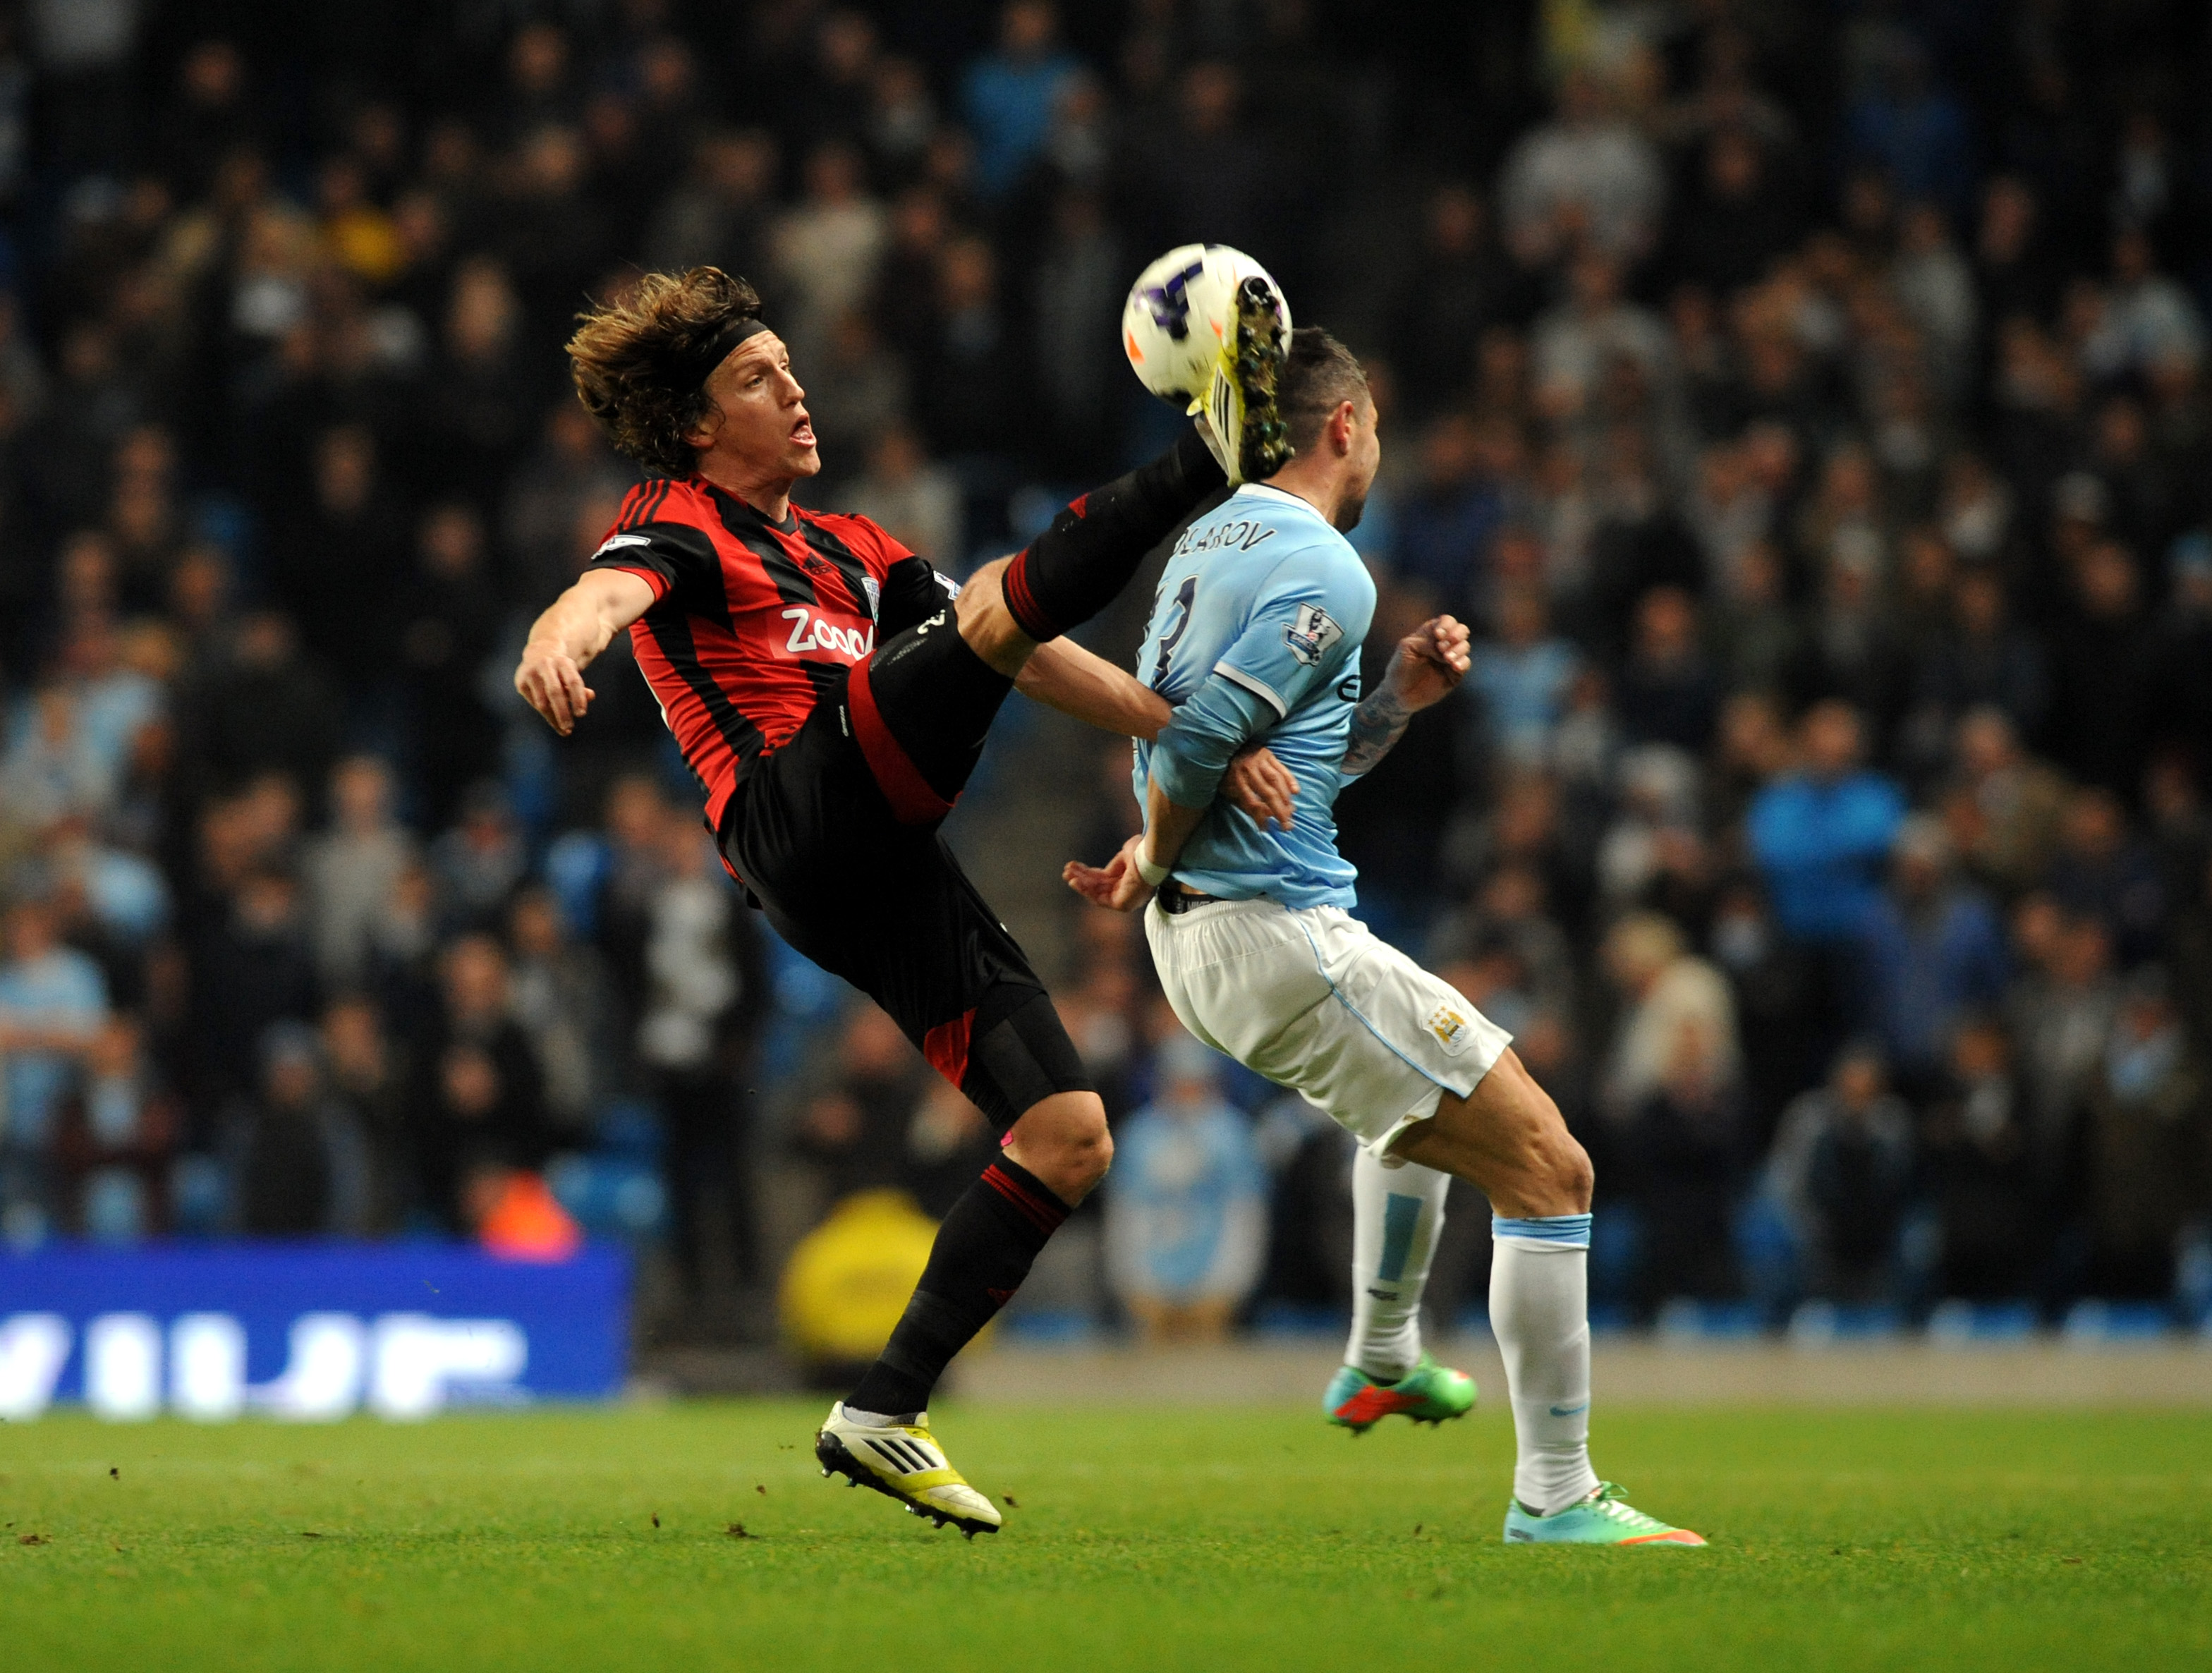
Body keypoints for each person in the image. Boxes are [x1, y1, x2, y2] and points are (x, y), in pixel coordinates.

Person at [512, 264, 1288, 1536]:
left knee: (1070, 1132)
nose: (797, 390)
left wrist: (1179, 728)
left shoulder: (854, 551)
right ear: (703, 425)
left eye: (789, 366)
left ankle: (883, 1410)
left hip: (879, 855)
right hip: (792, 818)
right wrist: (561, 634)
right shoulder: (678, 519)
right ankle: (1213, 453)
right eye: (760, 379)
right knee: (985, 600)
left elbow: (1019, 647)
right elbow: (610, 590)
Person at [1065, 328, 1701, 1546]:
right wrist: (1158, 849)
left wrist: (1396, 695)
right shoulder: (1328, 566)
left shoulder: (1207, 542)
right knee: (1550, 1169)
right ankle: (1556, 1496)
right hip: (1272, 933)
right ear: (1346, 424)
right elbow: (1199, 747)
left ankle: (1382, 1355)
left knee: (1412, 1117)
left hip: (1213, 938)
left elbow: (1279, 767)